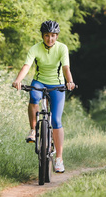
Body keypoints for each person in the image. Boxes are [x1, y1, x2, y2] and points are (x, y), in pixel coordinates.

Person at [12, 20, 76, 173]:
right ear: (42, 36)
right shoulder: (35, 48)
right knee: (34, 97)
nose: (50, 39)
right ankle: (33, 130)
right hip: (39, 82)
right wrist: (18, 80)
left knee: (56, 120)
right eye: (47, 35)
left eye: (53, 35)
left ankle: (59, 159)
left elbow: (66, 67)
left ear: (57, 36)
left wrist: (70, 82)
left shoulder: (62, 48)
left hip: (57, 85)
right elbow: (26, 66)